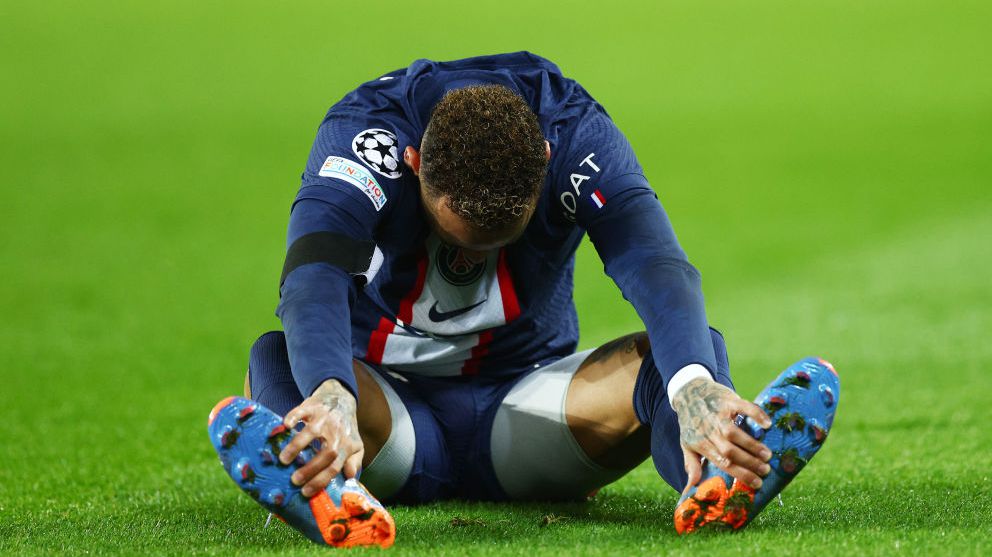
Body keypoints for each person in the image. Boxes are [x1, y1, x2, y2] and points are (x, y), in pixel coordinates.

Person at [209, 52, 839, 547]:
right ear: (414, 163)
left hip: (529, 411)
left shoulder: (572, 132)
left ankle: (723, 474)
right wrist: (331, 393)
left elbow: (653, 260)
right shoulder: (364, 137)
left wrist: (696, 386)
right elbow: (313, 272)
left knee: (685, 363)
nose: (470, 261)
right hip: (378, 415)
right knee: (281, 360)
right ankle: (327, 490)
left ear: (545, 161)